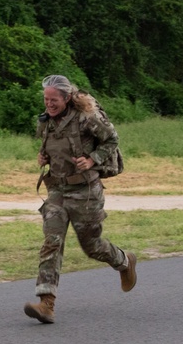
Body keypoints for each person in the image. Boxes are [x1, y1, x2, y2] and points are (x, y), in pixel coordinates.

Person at [24, 75, 138, 324]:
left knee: (92, 246)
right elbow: (49, 149)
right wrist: (42, 159)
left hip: (85, 191)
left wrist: (92, 159)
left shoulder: (87, 118)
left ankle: (123, 261)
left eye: (54, 100)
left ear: (66, 98)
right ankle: (46, 303)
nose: (49, 104)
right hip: (57, 191)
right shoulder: (45, 123)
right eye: (45, 99)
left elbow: (112, 139)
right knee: (51, 242)